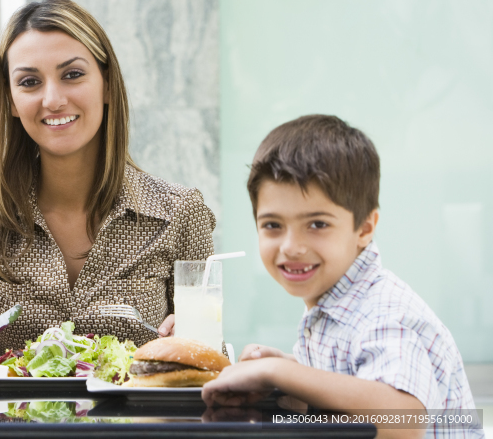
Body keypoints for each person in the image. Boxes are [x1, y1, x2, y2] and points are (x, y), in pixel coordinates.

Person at [0, 0, 217, 377]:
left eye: (72, 75)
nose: (52, 99)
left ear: (106, 84)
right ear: (11, 101)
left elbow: (205, 368)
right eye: (29, 82)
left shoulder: (181, 213)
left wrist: (194, 342)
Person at [201, 115, 479, 439]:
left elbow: (404, 422)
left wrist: (279, 370)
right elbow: (348, 394)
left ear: (364, 228)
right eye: (273, 225)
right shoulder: (333, 304)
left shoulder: (383, 313)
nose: (291, 247)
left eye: (317, 224)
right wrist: (284, 378)